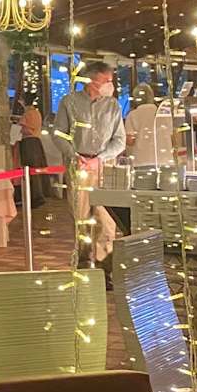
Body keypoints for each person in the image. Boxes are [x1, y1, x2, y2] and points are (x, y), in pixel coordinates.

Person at [54, 60, 126, 268]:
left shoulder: (112, 105)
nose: (109, 85)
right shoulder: (69, 102)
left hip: (105, 167)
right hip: (79, 166)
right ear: (92, 81)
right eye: (106, 81)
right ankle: (84, 261)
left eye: (111, 81)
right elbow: (59, 134)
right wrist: (73, 155)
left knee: (107, 218)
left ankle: (105, 264)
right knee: (81, 216)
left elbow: (119, 139)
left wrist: (100, 158)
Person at [124, 83, 178, 170]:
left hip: (141, 162)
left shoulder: (132, 115)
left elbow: (130, 140)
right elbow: (172, 137)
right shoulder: (163, 113)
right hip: (165, 160)